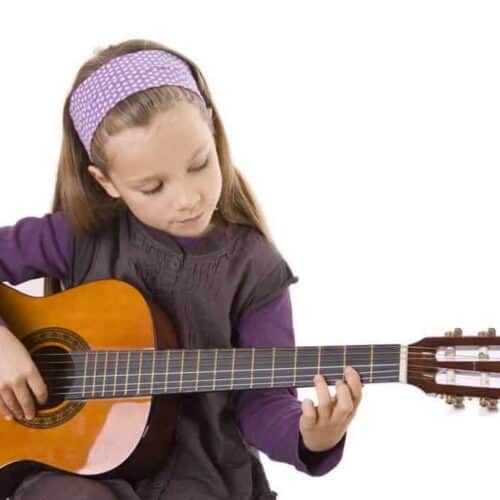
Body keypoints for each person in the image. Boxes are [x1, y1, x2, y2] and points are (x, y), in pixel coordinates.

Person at [0, 39, 363, 500]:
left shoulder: (255, 268)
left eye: (199, 164)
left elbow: (265, 401)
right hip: (73, 472)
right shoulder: (79, 235)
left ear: (212, 127)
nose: (187, 197)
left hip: (204, 480)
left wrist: (311, 439)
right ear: (105, 181)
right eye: (152, 186)